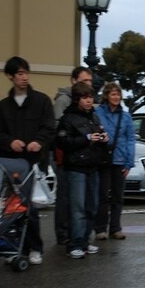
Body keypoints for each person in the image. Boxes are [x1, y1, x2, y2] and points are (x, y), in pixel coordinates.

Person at [0, 56, 55, 265]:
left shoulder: (42, 101)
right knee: (11, 209)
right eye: (19, 74)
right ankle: (16, 248)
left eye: (26, 73)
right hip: (10, 164)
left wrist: (39, 142)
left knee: (31, 209)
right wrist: (10, 142)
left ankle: (35, 248)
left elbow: (49, 128)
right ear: (10, 76)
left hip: (33, 163)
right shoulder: (3, 106)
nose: (24, 77)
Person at [56, 82, 108, 259]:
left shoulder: (94, 117)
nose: (89, 101)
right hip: (75, 168)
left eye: (90, 97)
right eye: (85, 98)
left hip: (93, 167)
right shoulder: (68, 118)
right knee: (77, 208)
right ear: (77, 99)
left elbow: (100, 142)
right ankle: (74, 244)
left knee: (91, 207)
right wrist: (86, 138)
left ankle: (85, 242)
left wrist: (103, 139)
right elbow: (62, 142)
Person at [53, 66, 94, 245]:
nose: (88, 85)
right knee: (67, 199)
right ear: (74, 81)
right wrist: (85, 138)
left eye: (90, 82)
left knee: (85, 203)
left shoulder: (91, 112)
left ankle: (80, 237)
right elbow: (60, 132)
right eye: (85, 81)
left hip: (88, 162)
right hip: (67, 159)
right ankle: (65, 235)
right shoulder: (64, 101)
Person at [94, 82, 136, 241]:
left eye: (118, 94)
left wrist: (129, 162)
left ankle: (115, 228)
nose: (116, 97)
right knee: (103, 196)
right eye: (113, 94)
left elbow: (131, 139)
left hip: (120, 159)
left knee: (118, 197)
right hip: (103, 159)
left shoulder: (125, 116)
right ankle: (100, 228)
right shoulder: (98, 113)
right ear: (107, 95)